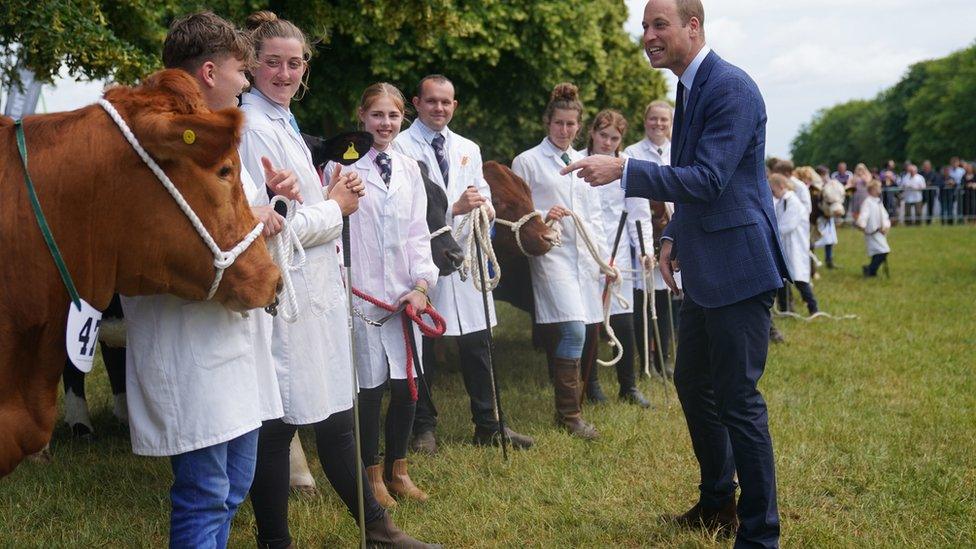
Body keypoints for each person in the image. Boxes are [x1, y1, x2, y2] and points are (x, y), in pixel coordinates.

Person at [563, 1, 788, 546]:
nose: (647, 35)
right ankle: (718, 503)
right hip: (706, 268)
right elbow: (697, 180)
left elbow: (709, 179)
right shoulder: (690, 88)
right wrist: (671, 237)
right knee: (692, 383)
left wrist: (624, 169)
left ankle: (760, 533)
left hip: (739, 269)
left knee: (738, 399)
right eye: (644, 26)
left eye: (658, 25)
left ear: (693, 26)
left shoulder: (730, 87)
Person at [238, 12, 436, 548]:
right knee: (278, 428)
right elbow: (262, 228)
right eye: (272, 62)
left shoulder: (282, 122)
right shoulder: (252, 126)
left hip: (316, 299)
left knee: (334, 415)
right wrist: (336, 207)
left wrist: (329, 196)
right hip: (286, 299)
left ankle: (378, 531)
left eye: (295, 63)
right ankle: (278, 541)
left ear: (306, 69)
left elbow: (289, 205)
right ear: (252, 64)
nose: (284, 72)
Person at [120, 12, 305, 548]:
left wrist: (269, 201)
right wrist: (257, 222)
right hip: (191, 343)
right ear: (207, 71)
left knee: (232, 488)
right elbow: (183, 240)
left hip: (235, 344)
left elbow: (230, 216)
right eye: (240, 72)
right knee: (205, 492)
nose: (246, 83)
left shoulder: (214, 135)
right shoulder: (161, 141)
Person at [393, 74, 535, 453]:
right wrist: (453, 209)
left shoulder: (468, 148)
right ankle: (423, 428)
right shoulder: (400, 146)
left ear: (454, 106)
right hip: (424, 257)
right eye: (432, 101)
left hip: (467, 258)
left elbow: (484, 194)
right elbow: (401, 205)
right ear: (417, 103)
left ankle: (489, 425)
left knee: (478, 342)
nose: (439, 108)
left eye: (446, 102)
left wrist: (484, 207)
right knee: (422, 344)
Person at [337, 82, 439, 507]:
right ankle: (371, 475)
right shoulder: (340, 169)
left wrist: (420, 286)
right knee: (370, 389)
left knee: (406, 387)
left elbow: (419, 234)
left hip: (403, 298)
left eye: (393, 116)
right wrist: (342, 285)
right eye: (377, 115)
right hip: (361, 299)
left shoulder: (411, 167)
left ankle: (399, 469)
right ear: (362, 116)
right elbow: (337, 236)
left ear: (403, 119)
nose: (385, 123)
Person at [512, 82, 610, 440]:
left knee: (585, 330)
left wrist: (603, 259)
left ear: (579, 126)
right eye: (559, 124)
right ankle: (570, 416)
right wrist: (542, 213)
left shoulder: (585, 161)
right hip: (551, 254)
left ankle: (573, 407)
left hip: (585, 258)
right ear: (547, 123)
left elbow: (595, 214)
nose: (565, 130)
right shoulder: (528, 161)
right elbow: (514, 211)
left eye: (571, 124)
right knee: (571, 328)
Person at [584, 109, 651, 407]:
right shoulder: (577, 161)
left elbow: (639, 214)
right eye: (603, 135)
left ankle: (629, 385)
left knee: (623, 320)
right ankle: (591, 385)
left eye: (614, 138)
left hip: (619, 250)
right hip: (586, 250)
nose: (608, 142)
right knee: (589, 320)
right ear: (592, 133)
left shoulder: (627, 169)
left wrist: (645, 249)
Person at [623, 100, 681, 376]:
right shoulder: (631, 153)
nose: (658, 124)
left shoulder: (679, 151)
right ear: (645, 121)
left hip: (675, 234)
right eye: (653, 119)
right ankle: (646, 360)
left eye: (664, 120)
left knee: (668, 299)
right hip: (646, 235)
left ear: (671, 123)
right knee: (645, 302)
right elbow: (634, 205)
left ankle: (665, 360)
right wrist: (644, 247)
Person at [769, 175, 819, 315]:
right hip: (785, 246)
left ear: (780, 186)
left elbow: (786, 225)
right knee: (782, 278)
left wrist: (771, 233)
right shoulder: (781, 202)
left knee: (799, 279)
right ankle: (785, 309)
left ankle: (813, 308)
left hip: (795, 246)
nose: (772, 194)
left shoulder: (793, 203)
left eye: (773, 191)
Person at [855, 180, 891, 277]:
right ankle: (870, 270)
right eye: (877, 188)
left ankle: (870, 270)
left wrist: (886, 226)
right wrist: (861, 224)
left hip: (881, 232)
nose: (879, 190)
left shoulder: (878, 202)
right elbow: (864, 215)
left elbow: (885, 216)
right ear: (872, 190)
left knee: (878, 252)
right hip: (872, 232)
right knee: (883, 251)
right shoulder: (868, 202)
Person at [811, 166, 839, 268]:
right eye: (823, 174)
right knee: (813, 241)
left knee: (830, 240)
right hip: (818, 217)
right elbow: (815, 203)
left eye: (827, 174)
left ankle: (829, 260)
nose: (826, 177)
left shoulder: (830, 186)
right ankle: (813, 263)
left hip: (828, 217)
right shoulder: (815, 187)